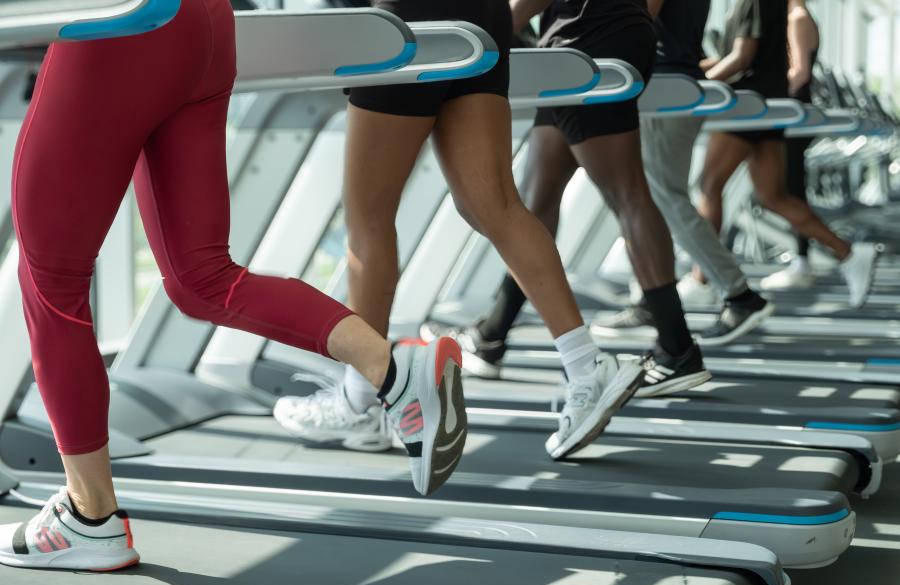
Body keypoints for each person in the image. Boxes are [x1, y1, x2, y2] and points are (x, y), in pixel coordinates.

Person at [0, 0, 468, 572]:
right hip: (204, 26)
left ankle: (89, 515)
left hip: (119, 21)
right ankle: (394, 367)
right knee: (203, 277)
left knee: (51, 281)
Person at [274, 0, 643, 462]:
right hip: (480, 16)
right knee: (494, 206)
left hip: (405, 22)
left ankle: (360, 399)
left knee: (368, 216)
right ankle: (587, 365)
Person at [419, 0, 712, 397]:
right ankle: (491, 337)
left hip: (583, 45)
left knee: (628, 194)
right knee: (537, 199)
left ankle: (677, 348)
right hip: (586, 43)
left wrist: (492, 28)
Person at [597, 0, 774, 347]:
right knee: (646, 197)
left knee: (664, 196)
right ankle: (650, 296)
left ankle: (739, 295)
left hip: (664, 88)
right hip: (666, 84)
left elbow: (634, 20)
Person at [697, 0, 877, 307]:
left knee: (710, 186)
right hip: (768, 109)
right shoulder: (778, 10)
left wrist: (702, 86)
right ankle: (848, 252)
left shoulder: (784, 13)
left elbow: (785, 68)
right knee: (774, 197)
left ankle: (703, 279)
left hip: (746, 107)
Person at [760, 0, 821, 291]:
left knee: (790, 190)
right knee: (791, 189)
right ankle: (801, 259)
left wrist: (768, 89)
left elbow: (799, 72)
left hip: (793, 116)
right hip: (796, 115)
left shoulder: (796, 18)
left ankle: (802, 261)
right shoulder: (802, 16)